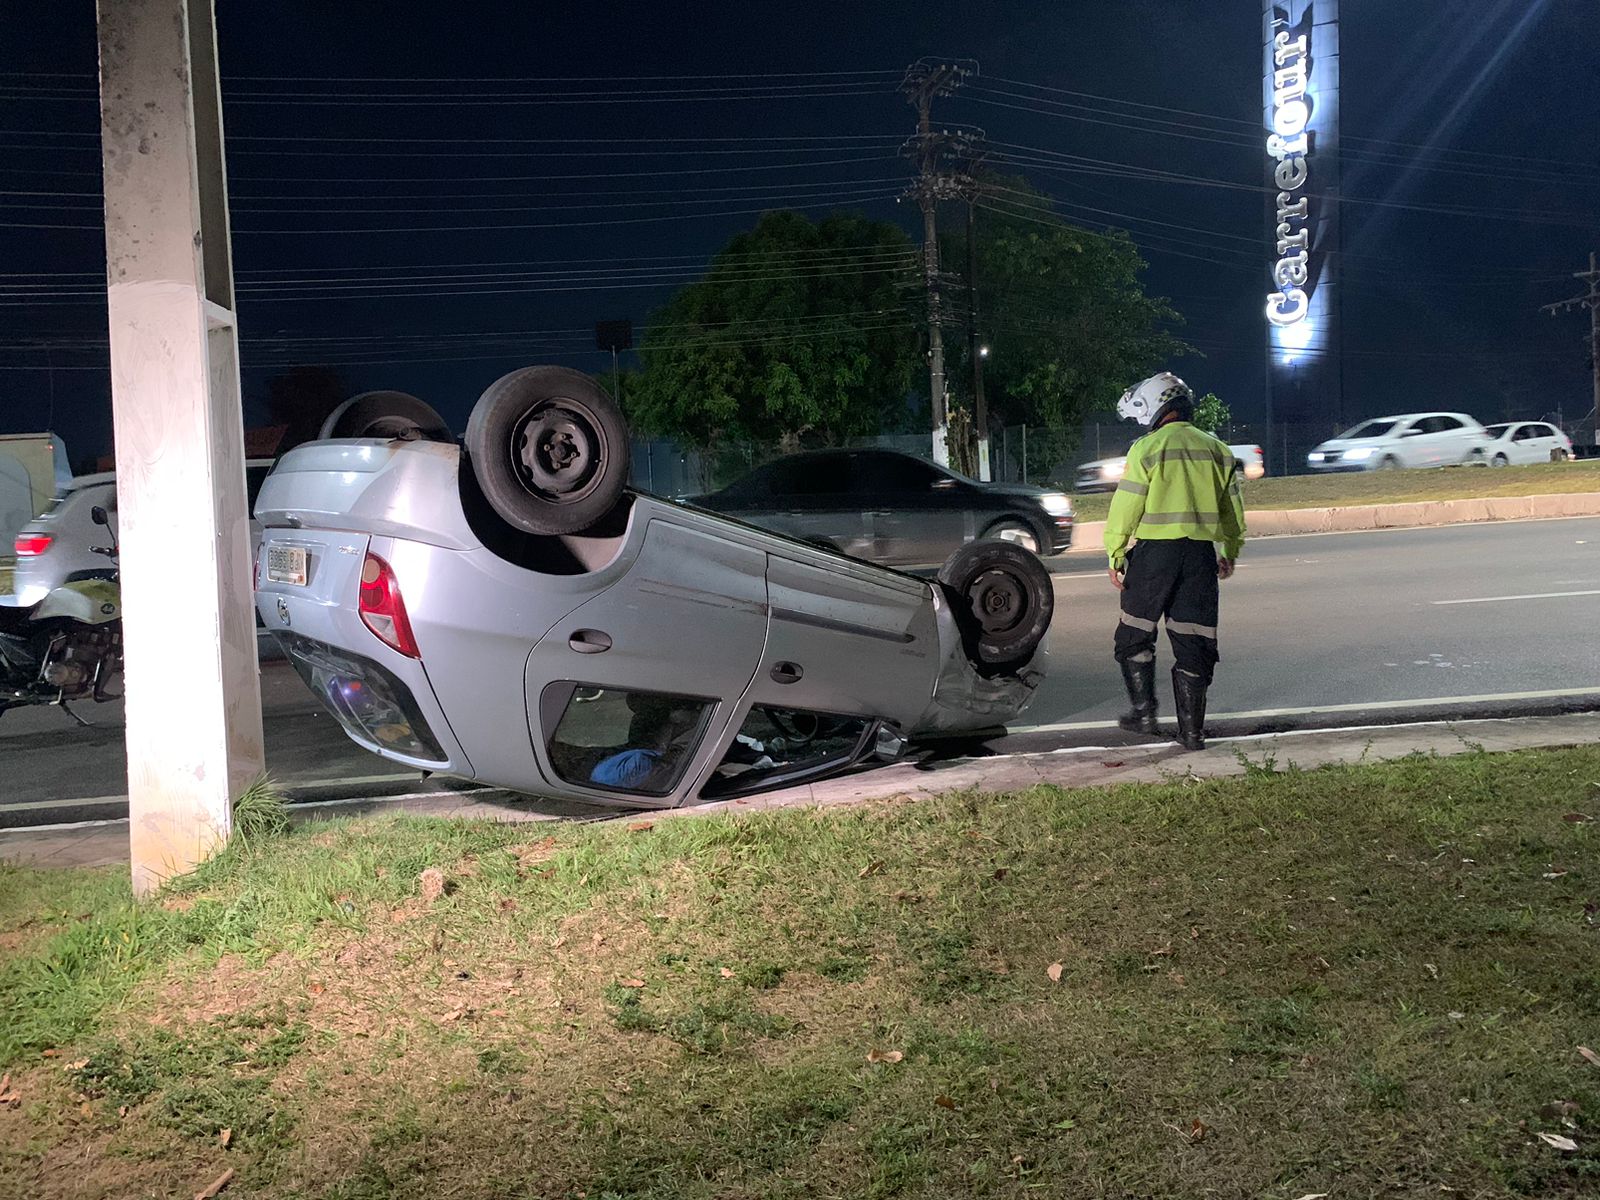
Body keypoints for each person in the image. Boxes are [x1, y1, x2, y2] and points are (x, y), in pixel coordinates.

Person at [1104, 372, 1246, 751]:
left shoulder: (1147, 449)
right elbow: (1233, 511)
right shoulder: (1218, 450)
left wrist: (1116, 551)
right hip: (1199, 556)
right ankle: (1192, 734)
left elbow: (1127, 504)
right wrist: (1229, 550)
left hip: (1154, 555)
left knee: (1133, 634)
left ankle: (1144, 712)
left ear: (1154, 407)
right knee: (1194, 641)